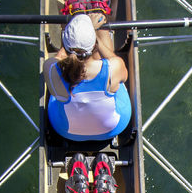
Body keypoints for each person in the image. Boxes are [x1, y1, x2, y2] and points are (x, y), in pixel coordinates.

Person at [44, 13, 131, 141]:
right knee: (118, 80)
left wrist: (70, 41)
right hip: (112, 129)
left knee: (56, 93)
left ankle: (73, 15)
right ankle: (101, 20)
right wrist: (96, 34)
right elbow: (114, 60)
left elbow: (60, 56)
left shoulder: (50, 68)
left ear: (66, 47)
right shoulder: (115, 66)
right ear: (94, 44)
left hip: (66, 131)